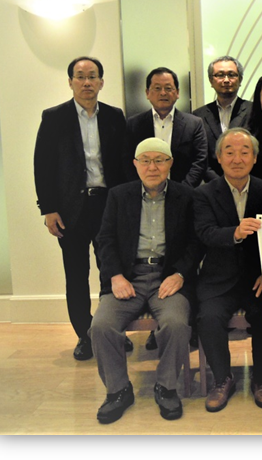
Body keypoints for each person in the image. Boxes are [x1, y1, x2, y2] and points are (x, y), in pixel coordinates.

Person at [89, 138, 199, 424]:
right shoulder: (119, 195)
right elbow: (104, 240)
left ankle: (166, 387)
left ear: (170, 164)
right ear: (135, 164)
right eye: (146, 160)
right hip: (127, 277)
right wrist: (115, 276)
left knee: (176, 324)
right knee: (101, 326)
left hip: (168, 277)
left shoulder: (186, 196)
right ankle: (118, 391)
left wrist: (180, 274)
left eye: (159, 160)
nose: (153, 167)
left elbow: (195, 242)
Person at [34, 56, 127, 361]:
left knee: (111, 271)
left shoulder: (114, 116)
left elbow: (124, 164)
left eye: (92, 76)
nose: (87, 82)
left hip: (107, 204)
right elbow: (43, 166)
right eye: (80, 76)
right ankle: (85, 335)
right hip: (70, 209)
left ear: (101, 82)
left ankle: (112, 331)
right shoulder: (54, 118)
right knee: (76, 275)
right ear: (70, 81)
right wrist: (48, 209)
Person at [193, 128, 262, 411]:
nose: (237, 159)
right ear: (218, 158)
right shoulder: (204, 194)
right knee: (208, 317)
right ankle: (223, 379)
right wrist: (235, 232)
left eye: (245, 152)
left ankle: (261, 379)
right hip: (219, 278)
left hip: (257, 278)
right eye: (229, 152)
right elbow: (205, 233)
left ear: (254, 158)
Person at [126, 67, 208, 189]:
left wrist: (183, 191)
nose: (163, 93)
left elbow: (200, 161)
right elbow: (128, 161)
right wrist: (144, 190)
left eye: (168, 88)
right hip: (144, 194)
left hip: (184, 192)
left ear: (177, 92)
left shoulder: (194, 124)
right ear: (147, 93)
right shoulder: (134, 124)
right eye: (157, 88)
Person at [193, 56, 253, 182]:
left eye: (231, 75)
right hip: (212, 186)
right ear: (211, 80)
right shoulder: (198, 116)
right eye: (220, 75)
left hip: (247, 183)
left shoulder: (254, 111)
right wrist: (220, 184)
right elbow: (200, 158)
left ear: (240, 79)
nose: (226, 80)